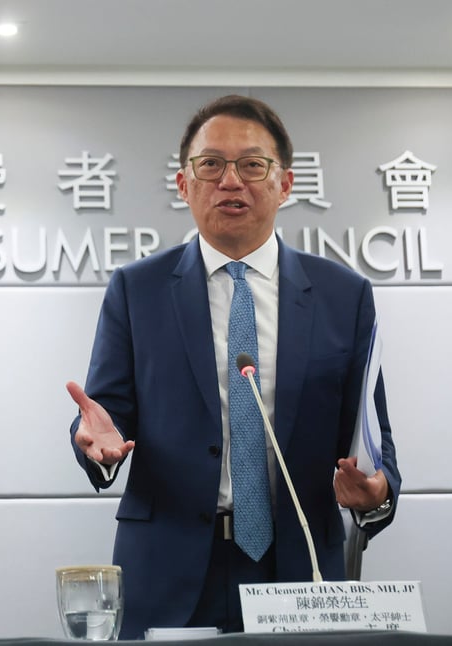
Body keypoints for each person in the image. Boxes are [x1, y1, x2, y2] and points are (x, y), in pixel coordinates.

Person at [66, 95, 401, 638]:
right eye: (211, 165)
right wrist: (99, 447)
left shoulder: (345, 295)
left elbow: (372, 438)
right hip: (167, 567)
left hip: (299, 569)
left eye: (252, 165)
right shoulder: (138, 290)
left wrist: (376, 493)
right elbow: (107, 416)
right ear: (184, 184)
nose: (230, 181)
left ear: (285, 183)